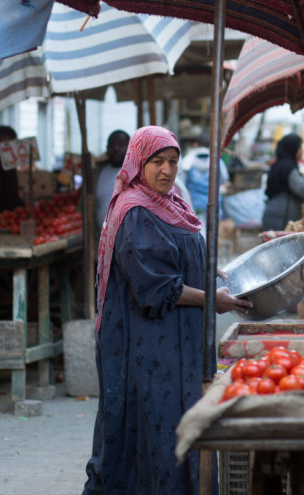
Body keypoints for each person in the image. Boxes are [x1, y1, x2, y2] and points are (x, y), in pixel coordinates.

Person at [82, 126, 251, 495]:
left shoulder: (174, 203)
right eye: (157, 161)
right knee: (155, 430)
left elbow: (181, 250)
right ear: (138, 162)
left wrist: (210, 267)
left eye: (173, 161)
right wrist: (213, 299)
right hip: (149, 347)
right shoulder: (134, 213)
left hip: (180, 342)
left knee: (179, 422)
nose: (167, 170)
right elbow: (155, 287)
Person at [182, 133, 231, 238]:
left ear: (196, 145)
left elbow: (181, 181)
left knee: (198, 234)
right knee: (212, 235)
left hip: (194, 205)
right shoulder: (217, 161)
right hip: (214, 203)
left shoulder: (188, 160)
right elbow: (224, 179)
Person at [93, 130, 130, 242]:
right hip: (103, 246)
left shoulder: (138, 174)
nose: (116, 148)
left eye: (120, 144)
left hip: (131, 245)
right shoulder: (96, 174)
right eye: (112, 144)